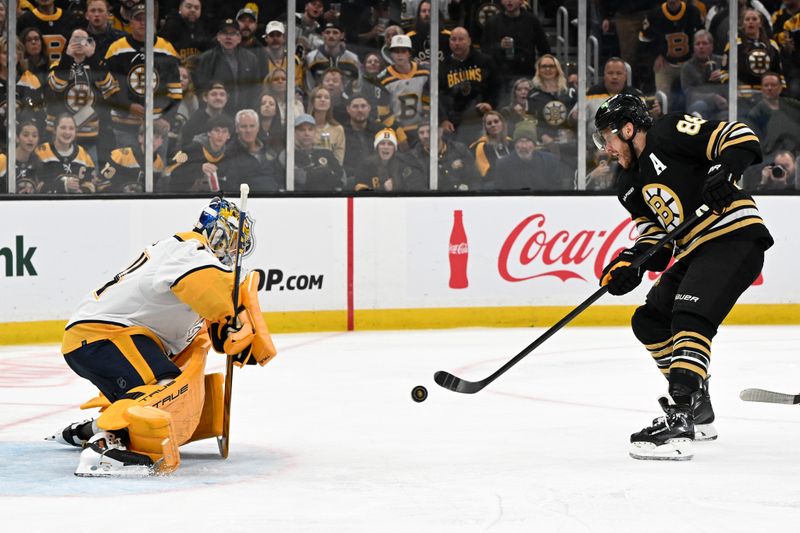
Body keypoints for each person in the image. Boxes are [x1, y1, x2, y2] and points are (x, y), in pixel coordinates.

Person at [593, 93, 773, 461]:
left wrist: (725, 169)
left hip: (732, 236)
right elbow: (656, 241)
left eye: (607, 136)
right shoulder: (627, 184)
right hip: (694, 249)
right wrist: (631, 264)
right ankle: (698, 406)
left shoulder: (668, 130)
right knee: (649, 321)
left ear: (628, 129)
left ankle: (681, 415)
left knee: (689, 315)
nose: (606, 147)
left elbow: (740, 136)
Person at [47, 198, 276, 477]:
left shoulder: (182, 252)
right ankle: (102, 449)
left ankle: (90, 430)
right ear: (218, 233)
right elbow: (211, 295)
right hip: (106, 335)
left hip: (103, 336)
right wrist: (233, 315)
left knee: (162, 385)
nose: (233, 251)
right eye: (233, 242)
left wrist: (226, 327)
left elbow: (199, 320)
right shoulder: (192, 252)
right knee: (166, 386)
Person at [104, 3, 182, 151]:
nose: (142, 22)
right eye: (138, 19)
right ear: (130, 22)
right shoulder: (116, 49)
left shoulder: (166, 48)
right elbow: (107, 87)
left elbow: (175, 91)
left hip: (156, 127)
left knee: (156, 171)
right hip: (124, 126)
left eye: (146, 18)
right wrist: (128, 106)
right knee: (126, 170)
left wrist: (167, 118)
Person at [46, 27, 120, 166]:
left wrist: (93, 57)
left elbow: (109, 89)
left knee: (87, 175)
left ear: (90, 44)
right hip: (59, 136)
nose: (79, 43)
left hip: (89, 135)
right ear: (68, 44)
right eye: (75, 39)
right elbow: (56, 87)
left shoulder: (98, 65)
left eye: (83, 40)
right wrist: (67, 57)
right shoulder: (58, 65)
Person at [439, 26, 500, 146]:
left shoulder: (484, 61)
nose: (457, 43)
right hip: (454, 123)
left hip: (481, 120)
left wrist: (491, 104)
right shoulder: (443, 67)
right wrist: (443, 119)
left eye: (461, 39)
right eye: (453, 39)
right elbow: (439, 96)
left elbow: (497, 87)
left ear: (469, 41)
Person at [481, 0, 550, 104]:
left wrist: (544, 72)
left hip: (526, 74)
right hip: (501, 76)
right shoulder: (492, 22)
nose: (509, 1)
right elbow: (484, 49)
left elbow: (544, 48)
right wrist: (499, 46)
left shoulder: (531, 20)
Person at [638, 0, 703, 101]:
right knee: (661, 102)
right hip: (665, 64)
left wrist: (697, 57)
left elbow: (702, 37)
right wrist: (656, 56)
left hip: (689, 63)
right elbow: (644, 39)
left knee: (696, 98)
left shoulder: (693, 12)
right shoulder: (654, 15)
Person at [193, 18, 261, 114]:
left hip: (244, 113)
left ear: (239, 38)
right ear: (218, 37)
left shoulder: (251, 59)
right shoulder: (206, 59)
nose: (228, 37)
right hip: (216, 114)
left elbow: (256, 88)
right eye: (224, 33)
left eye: (232, 34)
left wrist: (252, 111)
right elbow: (200, 89)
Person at [376, 34, 431, 150]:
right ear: (391, 54)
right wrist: (400, 136)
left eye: (403, 51)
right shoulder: (383, 79)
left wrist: (426, 126)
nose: (399, 54)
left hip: (422, 128)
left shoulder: (424, 73)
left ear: (409, 53)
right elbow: (384, 112)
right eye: (396, 51)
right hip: (397, 129)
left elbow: (427, 100)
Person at [219, 108, 283, 193]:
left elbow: (280, 177)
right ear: (237, 129)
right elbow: (232, 186)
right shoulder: (230, 152)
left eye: (252, 126)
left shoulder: (269, 147)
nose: (248, 130)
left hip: (277, 199)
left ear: (258, 128)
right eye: (244, 126)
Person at [494, 120, 568, 190]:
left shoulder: (550, 162)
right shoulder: (503, 165)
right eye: (520, 141)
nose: (524, 146)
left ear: (534, 144)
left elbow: (556, 194)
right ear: (515, 144)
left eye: (528, 141)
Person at [167, 113, 233, 192]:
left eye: (224, 132)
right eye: (216, 130)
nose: (220, 135)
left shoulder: (229, 154)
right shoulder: (192, 149)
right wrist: (199, 168)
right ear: (209, 132)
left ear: (229, 135)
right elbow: (172, 172)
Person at [95, 122, 167, 193]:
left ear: (161, 142)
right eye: (149, 136)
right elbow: (101, 184)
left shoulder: (158, 163)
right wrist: (122, 190)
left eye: (157, 138)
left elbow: (153, 189)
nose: (153, 141)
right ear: (140, 138)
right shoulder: (119, 155)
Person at [36, 113, 96, 193]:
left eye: (71, 128)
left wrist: (81, 191)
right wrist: (63, 185)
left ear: (75, 131)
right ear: (54, 130)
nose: (67, 132)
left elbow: (92, 185)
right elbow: (36, 186)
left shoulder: (83, 154)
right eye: (63, 128)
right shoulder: (41, 151)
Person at [412, 121, 479, 191]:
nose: (425, 136)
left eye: (429, 131)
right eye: (421, 133)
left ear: (440, 132)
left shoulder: (459, 149)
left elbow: (475, 178)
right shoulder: (415, 158)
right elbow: (416, 187)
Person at [354, 128, 426, 191]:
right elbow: (361, 194)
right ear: (377, 147)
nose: (386, 147)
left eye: (390, 144)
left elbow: (417, 185)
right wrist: (383, 188)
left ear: (394, 149)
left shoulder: (404, 163)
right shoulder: (366, 166)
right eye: (382, 143)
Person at [528, 54, 575, 145]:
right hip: (543, 142)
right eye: (544, 66)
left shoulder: (570, 91)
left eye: (551, 66)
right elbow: (530, 120)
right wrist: (541, 135)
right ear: (539, 70)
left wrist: (573, 132)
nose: (548, 69)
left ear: (557, 69)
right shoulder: (533, 94)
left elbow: (577, 116)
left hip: (569, 142)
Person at [681, 29, 727, 120]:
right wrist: (713, 98)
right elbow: (690, 94)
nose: (701, 47)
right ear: (693, 47)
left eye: (704, 43)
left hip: (723, 106)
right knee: (699, 106)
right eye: (697, 44)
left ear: (711, 46)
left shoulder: (723, 62)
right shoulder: (687, 67)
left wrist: (724, 76)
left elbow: (731, 85)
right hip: (700, 106)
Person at [292, 112, 345, 191]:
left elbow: (341, 177)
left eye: (310, 129)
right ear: (295, 133)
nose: (307, 133)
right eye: (302, 130)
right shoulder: (289, 155)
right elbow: (302, 179)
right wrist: (326, 171)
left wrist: (314, 173)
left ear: (315, 132)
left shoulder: (326, 152)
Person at [468, 110, 513, 189]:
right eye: (489, 123)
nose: (493, 125)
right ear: (486, 128)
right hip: (493, 186)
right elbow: (485, 174)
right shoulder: (481, 146)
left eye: (496, 121)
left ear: (502, 123)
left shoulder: (511, 142)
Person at [342, 95, 380, 183]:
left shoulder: (379, 130)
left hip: (378, 178)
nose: (360, 110)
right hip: (351, 179)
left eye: (363, 106)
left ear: (369, 108)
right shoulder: (341, 133)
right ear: (348, 109)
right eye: (355, 106)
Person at [181, 80, 229, 148]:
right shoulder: (193, 122)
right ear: (205, 98)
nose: (218, 98)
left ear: (226, 99)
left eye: (222, 95)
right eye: (214, 94)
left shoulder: (230, 122)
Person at [308, 85, 346, 165]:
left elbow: (339, 160)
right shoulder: (304, 127)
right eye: (319, 97)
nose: (323, 100)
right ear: (312, 102)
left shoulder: (338, 129)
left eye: (326, 97)